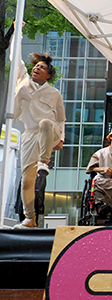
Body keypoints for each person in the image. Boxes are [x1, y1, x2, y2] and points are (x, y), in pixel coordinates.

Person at [13, 51, 65, 229]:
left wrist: (61, 140)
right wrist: (16, 32)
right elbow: (16, 58)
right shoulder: (24, 83)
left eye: (42, 67)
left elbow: (60, 119)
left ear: (48, 75)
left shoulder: (54, 93)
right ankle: (30, 219)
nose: (37, 67)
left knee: (45, 123)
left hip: (51, 130)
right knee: (27, 179)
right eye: (36, 65)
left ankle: (44, 162)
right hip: (30, 135)